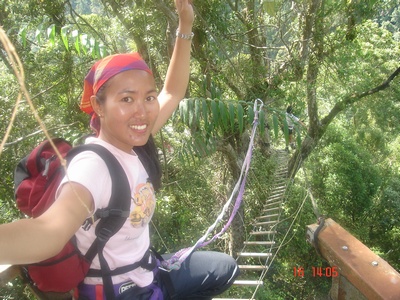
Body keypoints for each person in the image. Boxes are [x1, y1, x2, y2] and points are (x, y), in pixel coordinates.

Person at [0, 1, 239, 299]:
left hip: (148, 271)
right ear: (99, 106)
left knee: (224, 268)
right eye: (126, 99)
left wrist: (185, 25)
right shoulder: (93, 166)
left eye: (148, 98)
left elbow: (173, 92)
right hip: (120, 290)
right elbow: (50, 232)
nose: (142, 111)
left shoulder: (132, 138)